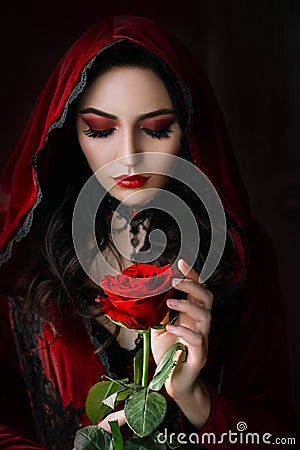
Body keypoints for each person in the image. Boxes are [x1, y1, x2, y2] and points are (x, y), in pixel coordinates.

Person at [0, 14, 295, 449]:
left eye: (156, 130)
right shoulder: (23, 258)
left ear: (188, 131)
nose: (130, 157)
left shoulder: (237, 257)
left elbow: (278, 438)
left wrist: (197, 401)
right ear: (70, 132)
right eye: (100, 130)